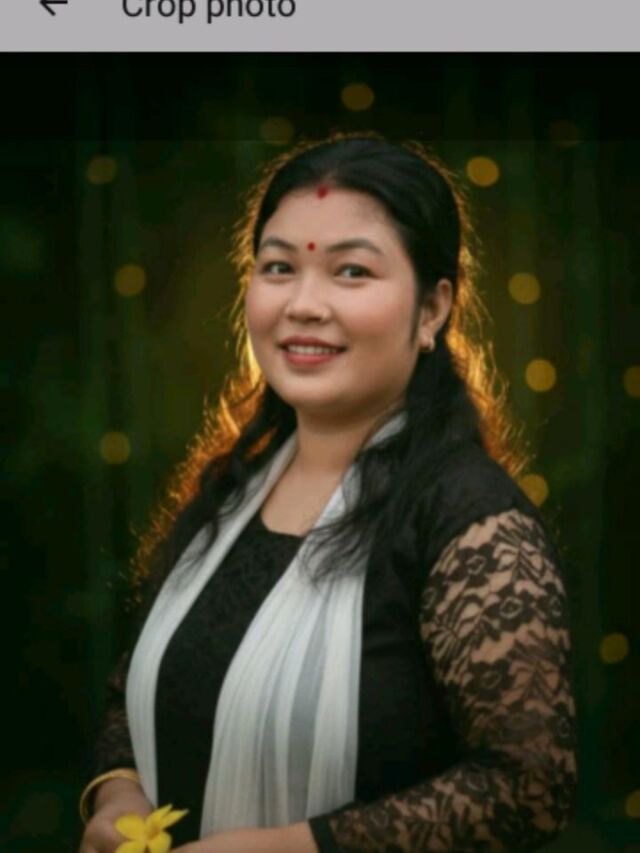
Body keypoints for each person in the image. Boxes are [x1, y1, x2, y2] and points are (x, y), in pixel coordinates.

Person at [79, 132, 578, 853]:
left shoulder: (470, 522)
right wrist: (118, 794)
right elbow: (138, 693)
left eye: (351, 271)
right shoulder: (233, 489)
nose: (304, 304)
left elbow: (527, 787)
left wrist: (292, 846)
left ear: (433, 309)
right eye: (279, 267)